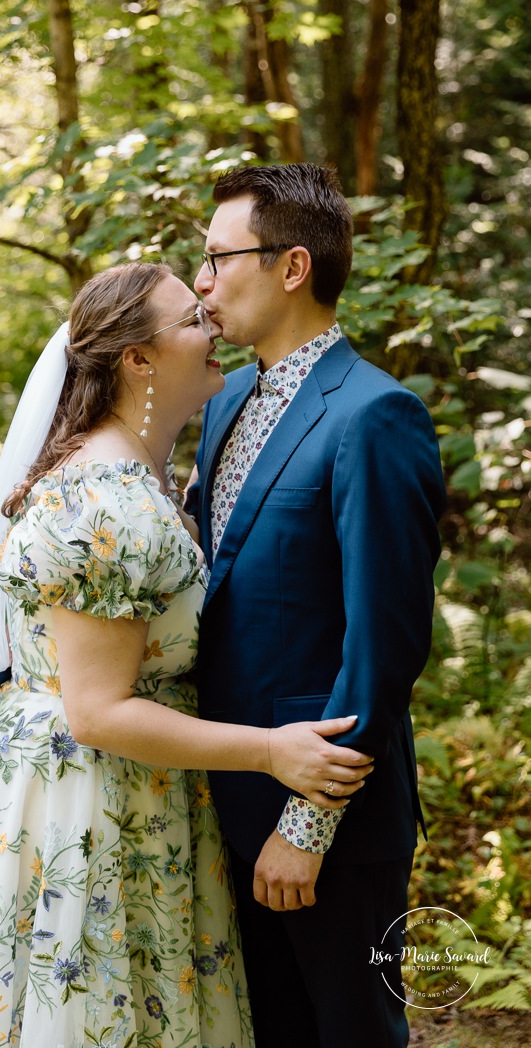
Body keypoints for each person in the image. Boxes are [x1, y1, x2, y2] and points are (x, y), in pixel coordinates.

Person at [0, 261, 375, 1048]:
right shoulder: (105, 503)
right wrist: (270, 753)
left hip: (126, 795)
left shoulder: (137, 480)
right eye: (192, 317)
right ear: (139, 359)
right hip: (89, 810)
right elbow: (95, 712)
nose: (213, 324)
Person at [186, 164, 448, 1048]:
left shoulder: (376, 415)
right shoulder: (222, 402)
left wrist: (307, 828)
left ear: (291, 267)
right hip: (224, 796)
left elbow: (385, 645)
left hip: (328, 814)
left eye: (219, 259)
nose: (202, 281)